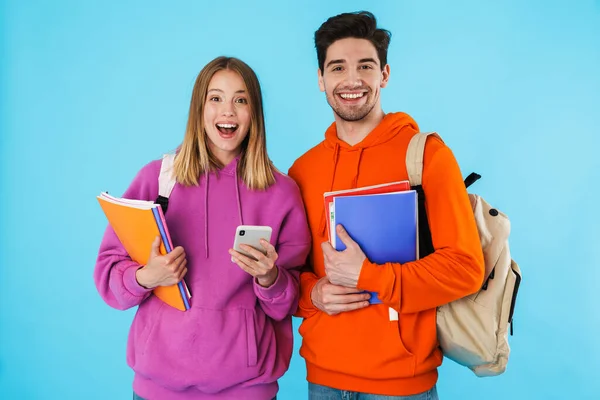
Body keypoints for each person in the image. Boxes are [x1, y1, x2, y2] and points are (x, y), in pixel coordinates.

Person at [288, 11, 485, 399]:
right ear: (320, 80)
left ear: (385, 75)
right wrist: (313, 294)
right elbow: (290, 276)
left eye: (365, 66)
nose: (351, 80)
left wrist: (370, 277)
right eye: (337, 67)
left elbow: (465, 268)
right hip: (322, 380)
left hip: (402, 386)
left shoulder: (426, 155)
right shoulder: (303, 170)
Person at [94, 56, 311, 400]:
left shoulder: (281, 193)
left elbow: (289, 301)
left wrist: (271, 279)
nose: (228, 111)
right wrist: (147, 277)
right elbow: (108, 276)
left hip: (247, 388)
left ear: (254, 112)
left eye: (240, 100)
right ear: (199, 108)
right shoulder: (158, 179)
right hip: (157, 388)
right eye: (216, 98)